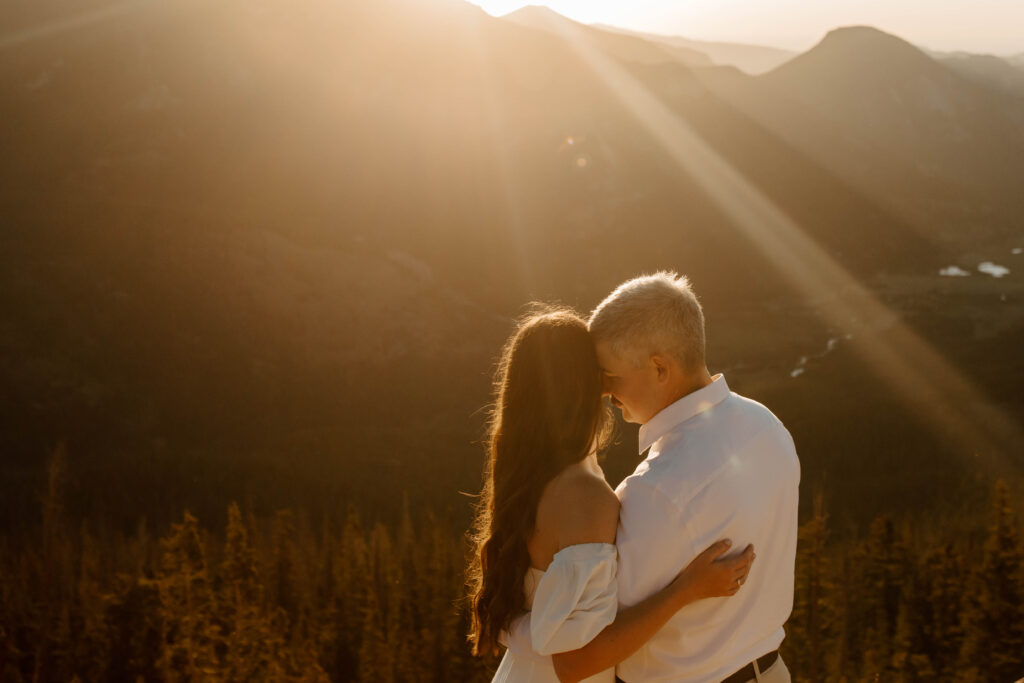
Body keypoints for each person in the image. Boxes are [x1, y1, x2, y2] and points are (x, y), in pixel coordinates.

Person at [534, 272, 802, 683]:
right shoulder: (767, 426)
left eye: (609, 376)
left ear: (660, 367)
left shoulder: (654, 491)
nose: (603, 391)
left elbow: (584, 655)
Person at [467, 306, 756, 683]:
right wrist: (685, 590)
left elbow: (530, 622)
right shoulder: (585, 497)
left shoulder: (526, 476)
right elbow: (577, 662)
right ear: (585, 385)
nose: (609, 384)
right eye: (600, 371)